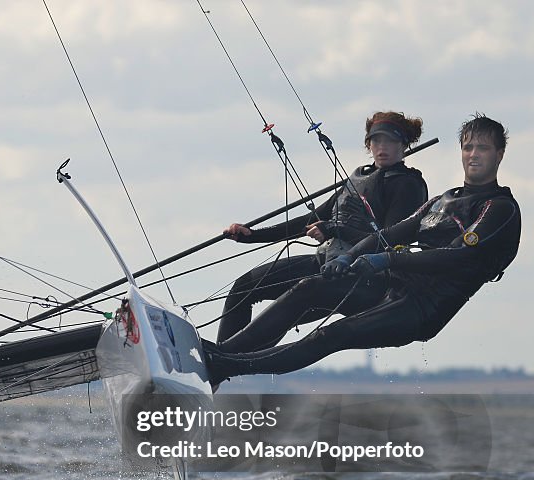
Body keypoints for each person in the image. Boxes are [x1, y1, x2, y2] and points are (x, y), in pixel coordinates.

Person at [206, 113, 521, 384]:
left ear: (500, 154)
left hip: (422, 309)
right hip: (395, 288)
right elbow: (387, 234)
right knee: (305, 288)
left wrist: (382, 260)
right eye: (468, 147)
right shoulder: (442, 199)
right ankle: (221, 359)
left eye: (483, 148)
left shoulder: (499, 208)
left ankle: (223, 363)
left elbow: (455, 258)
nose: (474, 154)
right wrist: (348, 256)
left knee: (330, 336)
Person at [217, 111, 428, 349]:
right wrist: (253, 235)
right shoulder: (359, 177)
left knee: (295, 302)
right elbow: (311, 220)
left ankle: (226, 358)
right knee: (244, 287)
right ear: (368, 144)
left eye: (391, 141)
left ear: (404, 145)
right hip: (327, 262)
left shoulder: (408, 185)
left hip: (364, 279)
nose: (382, 146)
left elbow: (390, 244)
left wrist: (334, 229)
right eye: (376, 140)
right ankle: (217, 365)